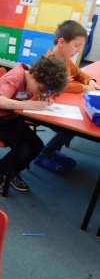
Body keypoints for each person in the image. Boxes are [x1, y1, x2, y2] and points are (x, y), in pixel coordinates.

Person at [0, 56, 68, 193]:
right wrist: (32, 104)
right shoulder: (15, 78)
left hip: (10, 118)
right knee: (23, 149)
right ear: (34, 74)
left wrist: (40, 97)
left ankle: (13, 171)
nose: (41, 93)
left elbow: (20, 95)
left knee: (37, 146)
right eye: (41, 89)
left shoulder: (31, 79)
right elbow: (2, 102)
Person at [33, 20, 100, 172]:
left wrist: (90, 80)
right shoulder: (51, 61)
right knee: (69, 129)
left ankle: (52, 151)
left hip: (56, 102)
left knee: (74, 125)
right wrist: (83, 88)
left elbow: (78, 73)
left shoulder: (66, 60)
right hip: (42, 105)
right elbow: (61, 85)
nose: (79, 50)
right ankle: (44, 154)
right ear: (61, 42)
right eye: (76, 45)